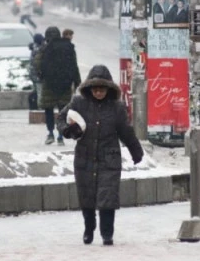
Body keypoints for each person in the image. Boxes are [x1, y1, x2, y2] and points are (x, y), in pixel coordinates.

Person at [57, 64, 143, 246]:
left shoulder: (117, 107)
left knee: (108, 198)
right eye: (95, 89)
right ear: (89, 89)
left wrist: (136, 151)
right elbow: (61, 119)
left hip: (109, 158)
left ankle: (107, 233)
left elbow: (126, 131)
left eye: (102, 89)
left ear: (108, 89)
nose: (98, 93)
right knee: (86, 197)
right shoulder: (78, 103)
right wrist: (68, 131)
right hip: (85, 158)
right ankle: (89, 228)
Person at [35, 26, 82, 145]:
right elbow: (74, 65)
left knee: (49, 109)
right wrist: (76, 81)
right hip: (65, 85)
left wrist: (41, 76)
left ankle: (50, 133)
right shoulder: (68, 46)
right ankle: (61, 135)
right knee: (63, 110)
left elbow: (37, 63)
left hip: (49, 84)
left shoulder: (45, 48)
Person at [28, 33, 45, 110]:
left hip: (33, 74)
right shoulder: (38, 49)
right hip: (37, 74)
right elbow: (39, 63)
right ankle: (40, 108)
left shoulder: (34, 48)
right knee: (40, 92)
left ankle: (33, 105)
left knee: (36, 91)